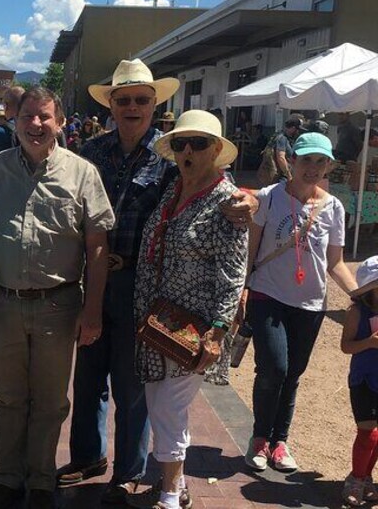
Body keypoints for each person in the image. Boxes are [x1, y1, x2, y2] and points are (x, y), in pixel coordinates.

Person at [70, 59, 256, 505]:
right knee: (89, 375)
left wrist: (244, 200)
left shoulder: (171, 150)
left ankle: (130, 472)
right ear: (111, 105)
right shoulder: (92, 152)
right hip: (95, 276)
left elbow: (213, 182)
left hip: (143, 284)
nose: (132, 106)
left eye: (141, 99)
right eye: (124, 99)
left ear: (155, 103)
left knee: (134, 383)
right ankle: (87, 458)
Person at [0, 87, 115, 509]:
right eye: (27, 117)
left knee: (52, 401)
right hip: (5, 302)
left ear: (59, 121)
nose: (35, 125)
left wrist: (92, 311)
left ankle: (40, 481)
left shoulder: (82, 173)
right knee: (9, 400)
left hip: (59, 305)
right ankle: (8, 478)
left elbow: (96, 247)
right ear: (14, 120)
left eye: (44, 117)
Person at [126, 110, 248, 509]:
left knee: (168, 408)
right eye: (180, 144)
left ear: (217, 149)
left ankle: (170, 494)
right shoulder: (174, 189)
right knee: (160, 403)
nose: (188, 151)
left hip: (193, 328)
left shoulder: (227, 203)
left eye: (198, 143)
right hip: (157, 323)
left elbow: (233, 275)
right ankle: (173, 485)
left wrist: (217, 332)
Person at [244, 133, 358, 474]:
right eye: (306, 160)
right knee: (274, 368)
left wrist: (362, 297)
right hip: (267, 295)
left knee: (293, 374)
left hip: (310, 303)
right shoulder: (268, 198)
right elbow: (250, 252)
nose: (312, 168)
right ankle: (259, 439)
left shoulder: (333, 208)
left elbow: (335, 263)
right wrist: (241, 292)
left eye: (320, 161)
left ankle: (280, 442)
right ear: (290, 161)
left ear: (329, 166)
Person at [341, 256, 378, 507]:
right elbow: (346, 346)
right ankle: (356, 478)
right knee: (369, 433)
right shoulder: (357, 312)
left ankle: (365, 476)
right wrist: (370, 342)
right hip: (364, 379)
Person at [257, 117, 302, 187]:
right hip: (280, 177)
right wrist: (289, 176)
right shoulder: (282, 138)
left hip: (278, 175)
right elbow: (281, 158)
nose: (298, 132)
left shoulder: (279, 135)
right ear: (293, 128)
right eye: (297, 130)